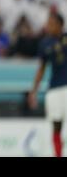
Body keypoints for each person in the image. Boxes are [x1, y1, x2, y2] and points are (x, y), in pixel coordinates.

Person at [28, 11, 67, 157]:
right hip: (54, 89)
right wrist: (34, 91)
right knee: (56, 125)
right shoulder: (45, 44)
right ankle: (58, 154)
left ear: (60, 25)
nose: (48, 27)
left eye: (51, 24)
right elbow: (41, 69)